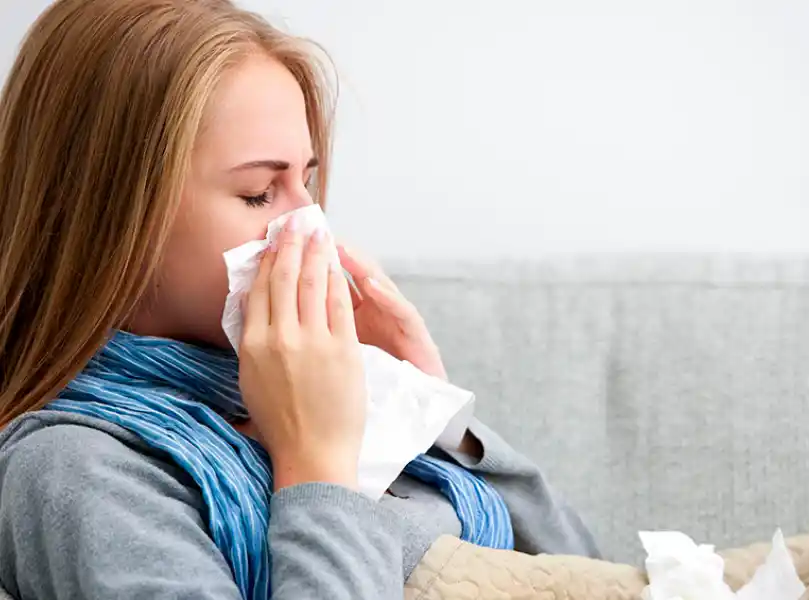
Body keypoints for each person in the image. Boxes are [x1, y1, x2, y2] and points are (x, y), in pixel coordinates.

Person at [0, 0, 601, 598]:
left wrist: (433, 414)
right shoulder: (77, 467)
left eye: (306, 183)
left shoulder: (314, 401)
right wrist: (316, 467)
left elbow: (583, 576)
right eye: (260, 192)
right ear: (110, 218)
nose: (309, 225)